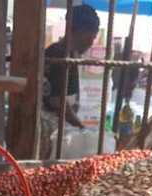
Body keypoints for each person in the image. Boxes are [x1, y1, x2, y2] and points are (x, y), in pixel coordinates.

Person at [41, 4, 100, 157]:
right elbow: (57, 101)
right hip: (49, 132)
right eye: (90, 37)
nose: (91, 42)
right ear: (79, 31)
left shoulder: (70, 54)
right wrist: (82, 127)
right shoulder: (59, 54)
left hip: (58, 129)